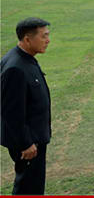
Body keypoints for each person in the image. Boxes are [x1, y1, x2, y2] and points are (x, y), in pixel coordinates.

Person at [1, 17, 52, 195]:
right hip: (29, 144)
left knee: (33, 186)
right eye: (44, 36)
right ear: (27, 39)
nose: (48, 40)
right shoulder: (16, 67)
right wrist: (25, 143)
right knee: (28, 188)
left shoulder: (25, 58)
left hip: (33, 139)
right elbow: (11, 112)